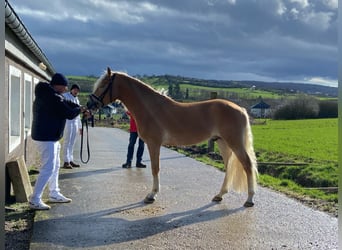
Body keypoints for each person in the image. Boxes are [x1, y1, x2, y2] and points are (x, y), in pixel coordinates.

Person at [29, 73, 87, 210]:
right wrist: (79, 110)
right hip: (46, 137)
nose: (66, 89)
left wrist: (81, 108)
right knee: (48, 168)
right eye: (65, 86)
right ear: (59, 85)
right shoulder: (51, 97)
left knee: (55, 166)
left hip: (51, 137)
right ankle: (35, 199)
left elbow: (67, 103)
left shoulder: (52, 95)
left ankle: (54, 193)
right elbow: (67, 112)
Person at [62, 84, 82, 169]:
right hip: (68, 122)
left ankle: (70, 159)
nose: (76, 91)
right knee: (67, 141)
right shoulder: (65, 96)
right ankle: (66, 161)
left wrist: (80, 127)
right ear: (72, 89)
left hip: (75, 122)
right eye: (75, 89)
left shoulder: (77, 99)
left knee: (72, 142)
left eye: (77, 90)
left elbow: (78, 115)